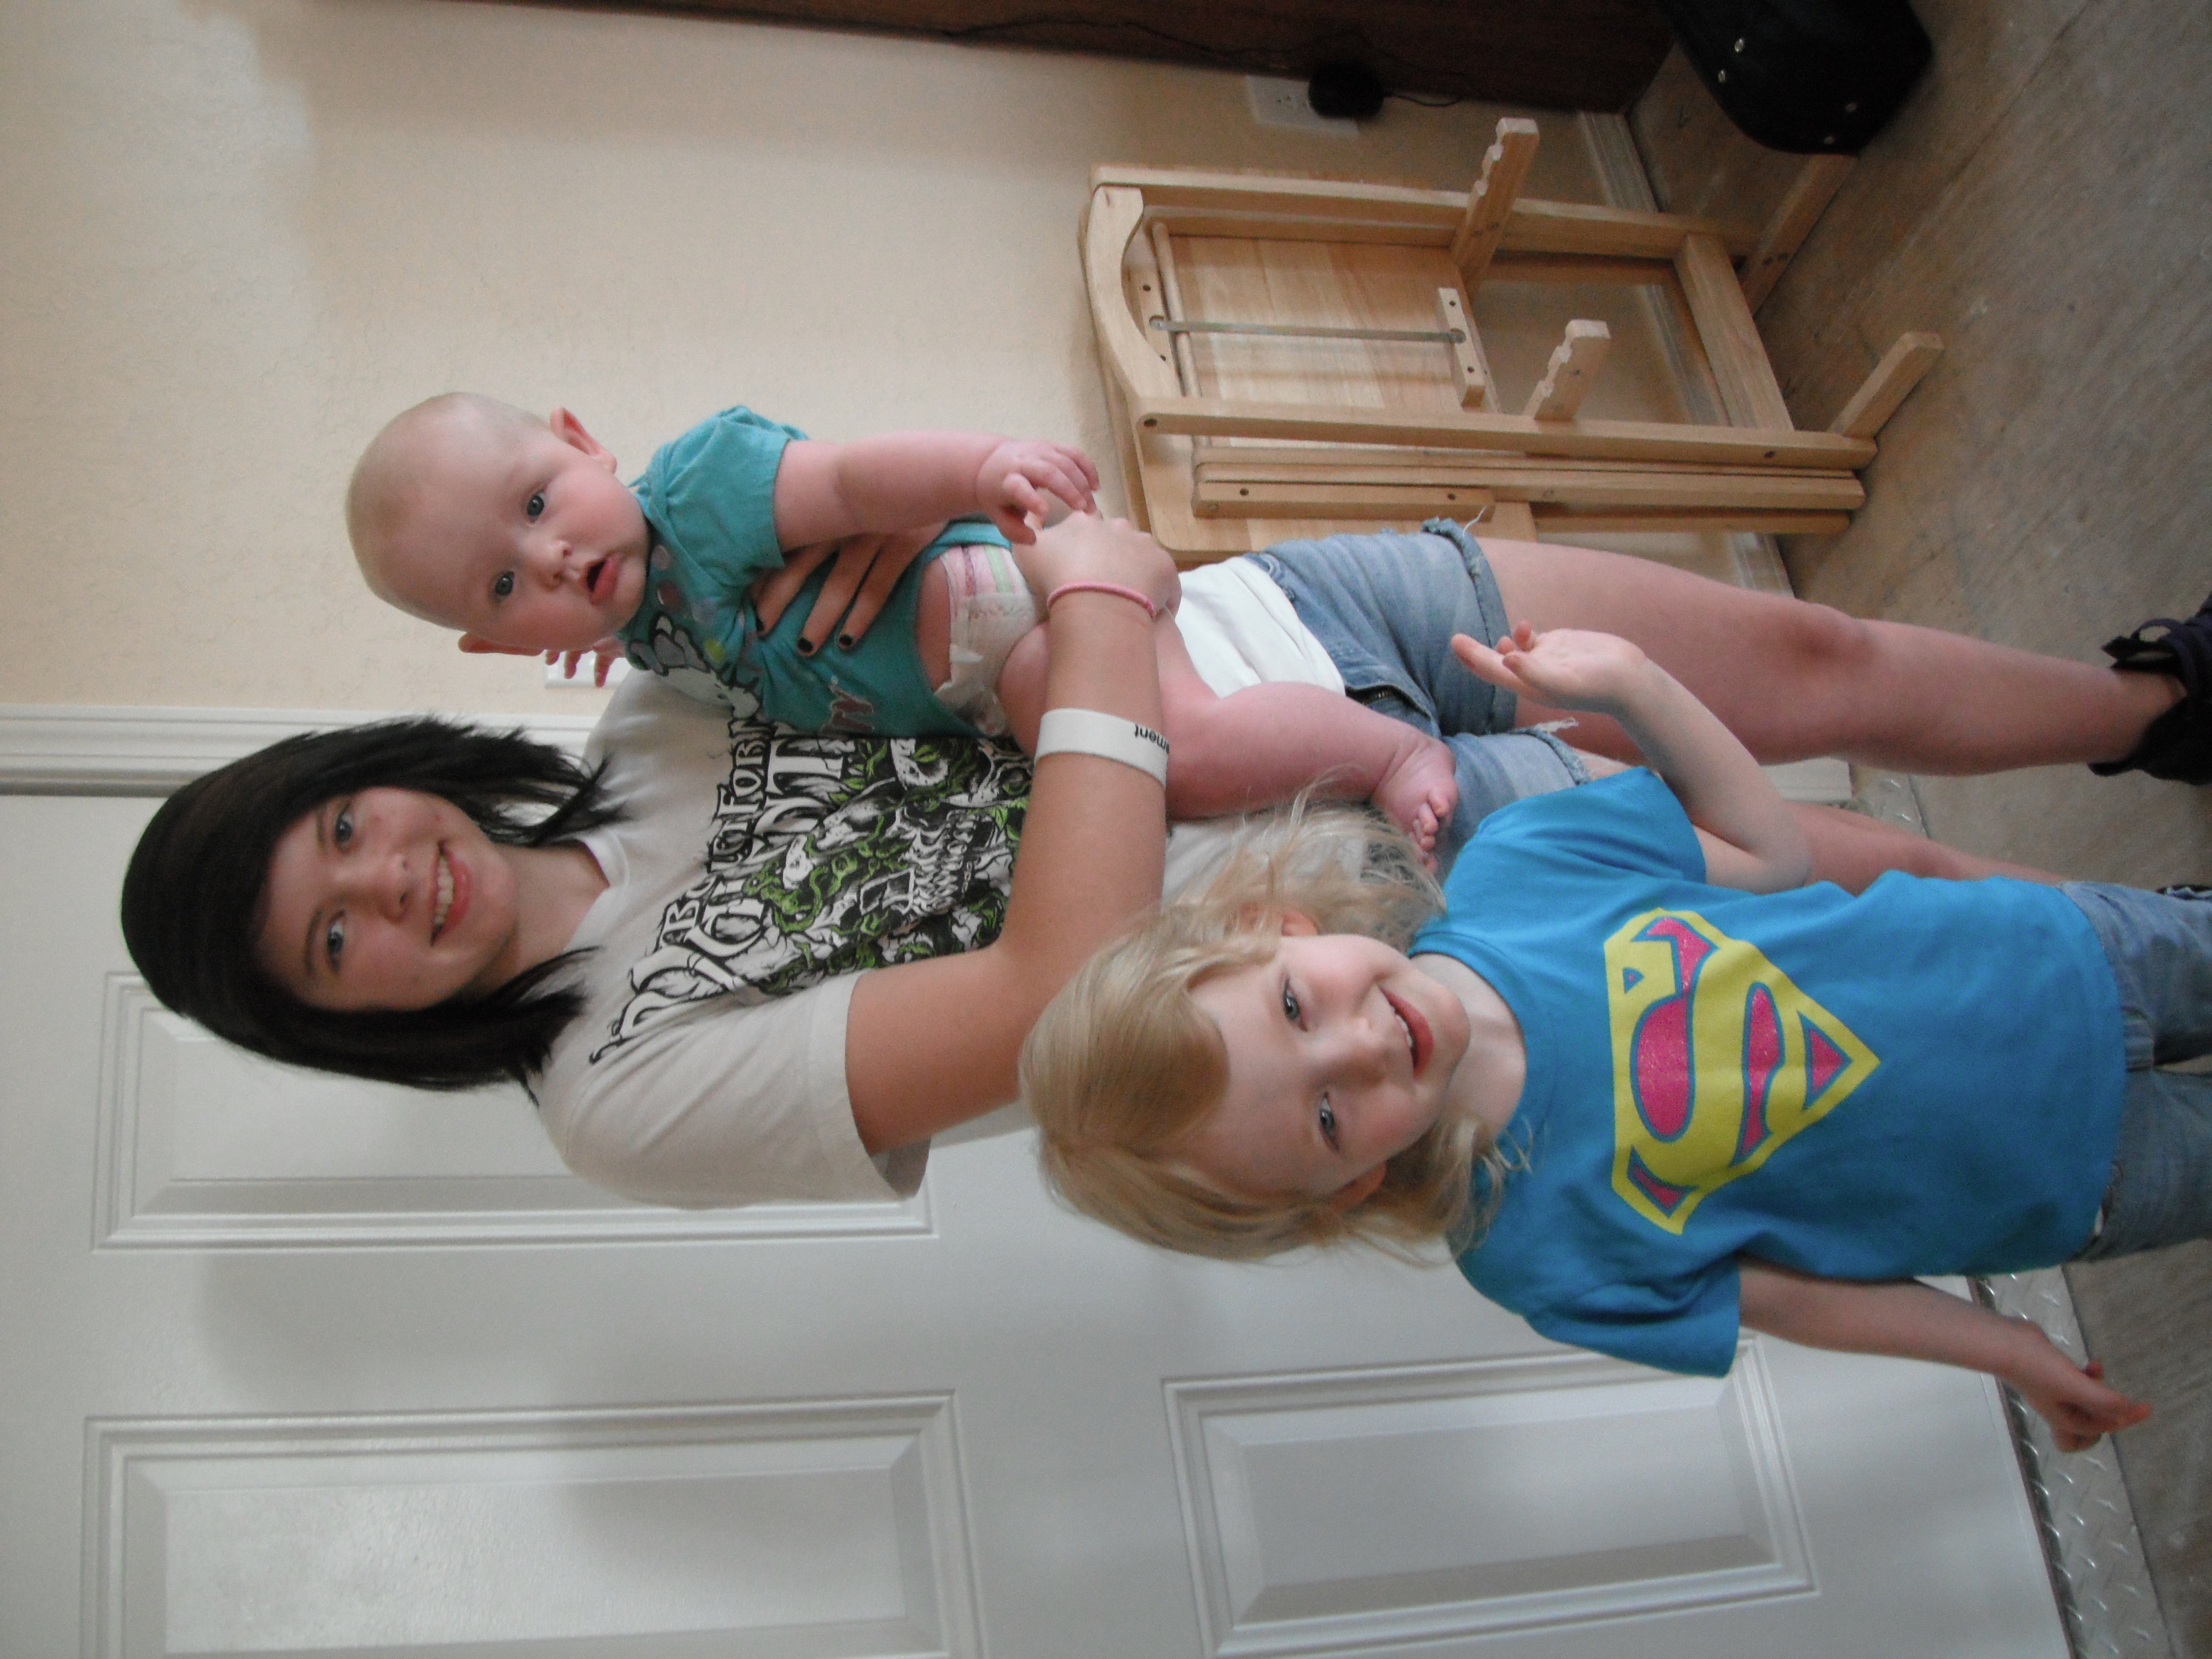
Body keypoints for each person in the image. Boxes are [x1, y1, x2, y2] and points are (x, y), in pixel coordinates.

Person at [122, 505, 2208, 1212]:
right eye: (333, 941)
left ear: (368, 772)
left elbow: (960, 567)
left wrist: (983, 546)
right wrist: (1102, 616)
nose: (389, 885)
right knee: (1828, 876)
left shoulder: (655, 714)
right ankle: (2162, 947)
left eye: (342, 830)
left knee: (1814, 661)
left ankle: (2151, 705)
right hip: (1368, 907)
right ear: (347, 1018)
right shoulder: (621, 1092)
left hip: (1289, 624)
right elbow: (1056, 994)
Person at [1022, 620, 2211, 1452]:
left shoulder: (1520, 865)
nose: (1356, 1048)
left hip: (2057, 956)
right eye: (1325, 1116)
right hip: (2078, 1182)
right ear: (1348, 1188)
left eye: (1293, 1007)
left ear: (1275, 930)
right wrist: (2008, 1351)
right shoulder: (1535, 1258)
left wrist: (1636, 686)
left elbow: (1773, 856)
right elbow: (1801, 1301)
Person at [346, 395, 1461, 851]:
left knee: (1183, 759)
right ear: (496, 646)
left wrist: (981, 469)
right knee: (1132, 770)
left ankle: (1390, 753)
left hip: (1009, 590)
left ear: (584, 441)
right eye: (503, 585)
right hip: (993, 675)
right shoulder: (642, 630)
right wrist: (610, 637)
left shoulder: (698, 491)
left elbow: (848, 481)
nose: (549, 556)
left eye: (538, 503)